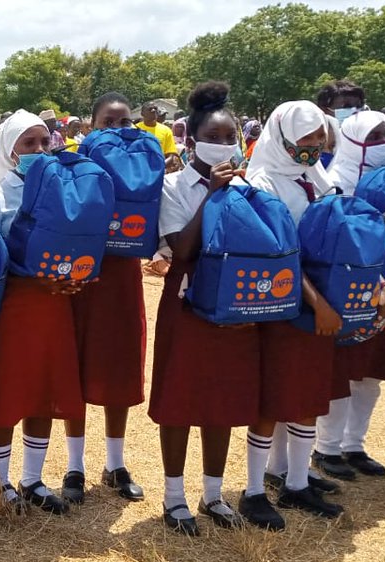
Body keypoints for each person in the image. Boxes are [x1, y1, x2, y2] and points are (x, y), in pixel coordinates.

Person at [150, 82, 251, 536]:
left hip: (232, 308)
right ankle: (174, 497)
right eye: (215, 137)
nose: (224, 144)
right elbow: (183, 249)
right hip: (186, 302)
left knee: (221, 400)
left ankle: (214, 494)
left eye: (231, 137)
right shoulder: (173, 186)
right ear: (191, 141)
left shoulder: (248, 186)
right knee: (178, 399)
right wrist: (211, 192)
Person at [240, 100, 344, 530]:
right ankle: (252, 490)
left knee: (305, 393)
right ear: (281, 137)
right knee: (271, 396)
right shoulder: (262, 181)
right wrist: (316, 301)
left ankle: (296, 480)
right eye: (306, 138)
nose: (314, 145)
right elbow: (276, 254)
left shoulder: (313, 175)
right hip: (283, 302)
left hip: (320, 299)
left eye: (320, 136)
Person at [0, 110, 83, 517]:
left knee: (45, 391)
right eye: (28, 144)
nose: (39, 150)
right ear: (9, 149)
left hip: (55, 307)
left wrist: (74, 277)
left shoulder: (64, 189)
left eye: (45, 142)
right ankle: (0, 481)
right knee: (8, 392)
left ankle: (32, 478)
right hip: (13, 308)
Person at [58, 92, 147, 508]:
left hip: (122, 278)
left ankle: (115, 463)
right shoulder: (72, 167)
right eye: (109, 122)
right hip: (82, 280)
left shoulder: (145, 166)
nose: (118, 129)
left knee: (120, 369)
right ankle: (74, 466)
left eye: (125, 121)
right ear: (90, 127)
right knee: (74, 367)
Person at [310, 110, 385, 482]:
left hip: (382, 287)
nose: (384, 142)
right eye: (375, 135)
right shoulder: (334, 181)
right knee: (340, 371)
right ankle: (327, 446)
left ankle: (354, 443)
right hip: (343, 287)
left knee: (368, 374)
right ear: (354, 140)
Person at [136, 101, 181, 171]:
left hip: (159, 172)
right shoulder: (134, 129)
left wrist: (157, 169)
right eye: (150, 109)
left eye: (155, 108)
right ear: (142, 113)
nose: (153, 110)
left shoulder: (166, 130)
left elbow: (171, 157)